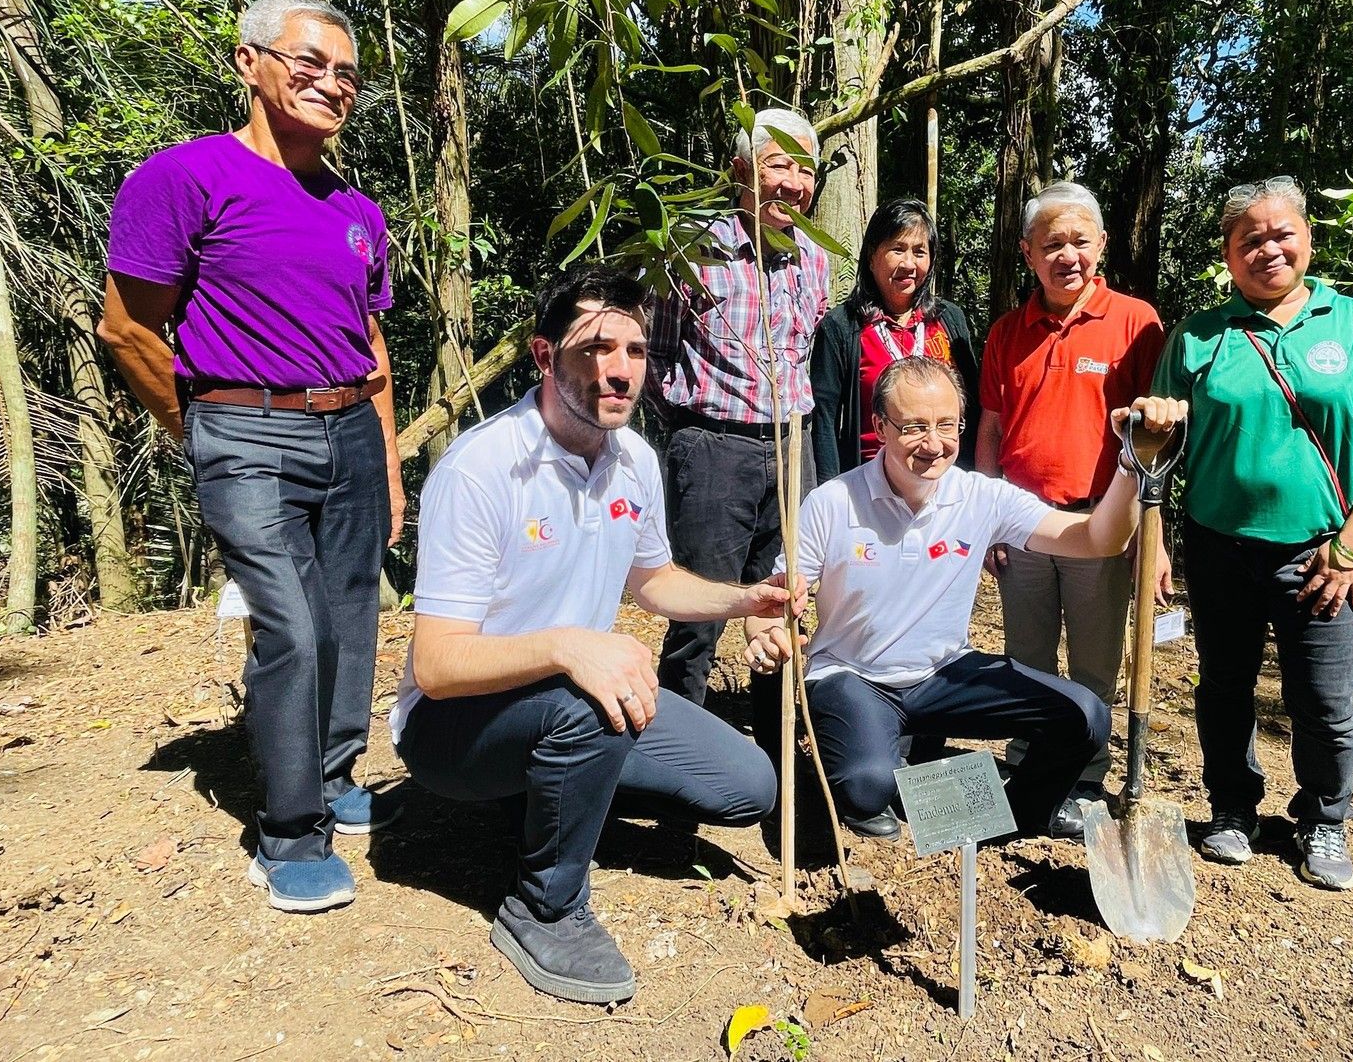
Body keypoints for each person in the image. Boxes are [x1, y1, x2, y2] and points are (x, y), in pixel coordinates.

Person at [394, 266, 801, 1005]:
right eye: (597, 349)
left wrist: (749, 598)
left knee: (747, 786)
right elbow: (438, 665)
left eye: (637, 351)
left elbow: (654, 582)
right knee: (593, 692)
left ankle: (551, 795)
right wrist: (567, 645)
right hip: (452, 727)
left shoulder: (633, 461)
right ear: (545, 357)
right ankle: (543, 905)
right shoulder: (482, 469)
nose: (620, 371)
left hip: (563, 698)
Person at [99, 0, 402, 914]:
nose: (330, 84)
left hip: (350, 425)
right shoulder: (186, 178)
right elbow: (126, 329)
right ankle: (288, 829)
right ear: (251, 63)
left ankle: (338, 768)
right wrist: (202, 430)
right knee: (290, 624)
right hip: (245, 426)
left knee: (352, 615)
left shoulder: (358, 210)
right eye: (308, 63)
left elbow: (373, 341)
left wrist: (388, 462)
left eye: (346, 73)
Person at [753, 358, 1184, 840]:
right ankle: (877, 764)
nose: (934, 444)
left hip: (944, 673)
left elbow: (1095, 539)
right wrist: (768, 635)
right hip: (853, 674)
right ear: (880, 426)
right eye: (914, 427)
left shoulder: (983, 497)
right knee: (866, 788)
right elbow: (775, 602)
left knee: (1084, 716)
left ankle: (1017, 815)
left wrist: (1131, 464)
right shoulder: (832, 502)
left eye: (947, 425)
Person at [1150, 176, 1353, 892]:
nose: (1267, 250)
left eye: (1280, 235)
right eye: (1249, 240)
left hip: (1323, 553)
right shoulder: (1201, 336)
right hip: (1218, 548)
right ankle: (1232, 808)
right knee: (1224, 688)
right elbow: (1158, 448)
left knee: (1325, 700)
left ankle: (1324, 820)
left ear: (1307, 237)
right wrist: (1155, 541)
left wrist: (1352, 546)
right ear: (1228, 254)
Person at [975, 181, 1164, 827]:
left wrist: (1152, 539)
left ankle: (1084, 777)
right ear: (1028, 253)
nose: (1068, 255)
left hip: (1100, 524)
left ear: (1102, 245)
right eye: (1053, 243)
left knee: (1093, 659)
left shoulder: (1136, 323)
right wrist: (984, 516)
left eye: (1080, 241)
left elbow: (1156, 441)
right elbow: (992, 429)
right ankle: (1029, 762)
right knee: (1025, 658)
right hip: (1023, 521)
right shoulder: (1007, 331)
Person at [648, 108, 830, 746]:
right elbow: (657, 352)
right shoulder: (695, 248)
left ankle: (778, 748)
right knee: (702, 611)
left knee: (785, 598)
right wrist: (692, 433)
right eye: (778, 163)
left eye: (805, 168)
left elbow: (806, 350)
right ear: (741, 172)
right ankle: (676, 753)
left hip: (791, 447)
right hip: (714, 448)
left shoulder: (813, 257)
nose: (793, 181)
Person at [809, 197, 982, 483]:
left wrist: (970, 475)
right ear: (872, 256)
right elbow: (824, 419)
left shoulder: (948, 320)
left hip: (940, 477)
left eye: (919, 252)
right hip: (868, 481)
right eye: (897, 249)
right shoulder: (842, 327)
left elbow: (972, 407)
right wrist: (830, 490)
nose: (909, 263)